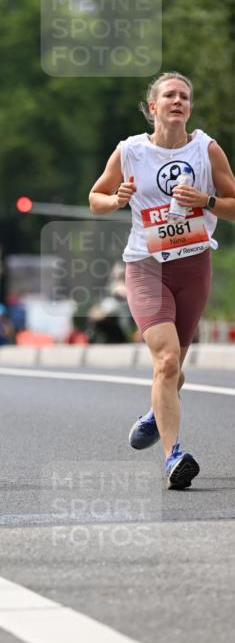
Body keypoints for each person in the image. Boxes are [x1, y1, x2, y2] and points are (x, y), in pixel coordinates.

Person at [89, 72, 235, 489]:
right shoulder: (130, 151)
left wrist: (206, 201)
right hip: (145, 266)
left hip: (194, 266)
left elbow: (233, 204)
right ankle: (174, 457)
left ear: (189, 107)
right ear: (152, 107)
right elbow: (95, 198)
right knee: (167, 361)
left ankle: (156, 414)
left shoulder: (207, 150)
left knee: (171, 372)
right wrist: (115, 199)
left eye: (184, 96)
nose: (177, 101)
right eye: (169, 95)